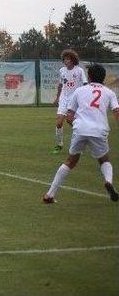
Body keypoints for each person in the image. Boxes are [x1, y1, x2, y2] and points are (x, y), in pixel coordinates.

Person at [43, 64, 119, 203]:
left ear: (89, 77)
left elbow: (69, 116)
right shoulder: (109, 93)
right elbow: (116, 112)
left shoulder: (79, 91)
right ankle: (108, 181)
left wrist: (78, 127)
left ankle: (50, 195)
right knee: (104, 159)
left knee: (70, 161)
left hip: (80, 129)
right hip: (99, 130)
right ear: (104, 78)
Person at [51, 49, 87, 155]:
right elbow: (61, 85)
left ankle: (81, 141)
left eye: (68, 59)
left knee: (70, 121)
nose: (66, 61)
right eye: (65, 59)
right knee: (59, 123)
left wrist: (85, 97)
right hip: (63, 98)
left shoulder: (79, 70)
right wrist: (57, 98)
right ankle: (59, 144)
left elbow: (85, 84)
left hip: (74, 99)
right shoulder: (62, 70)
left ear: (73, 60)